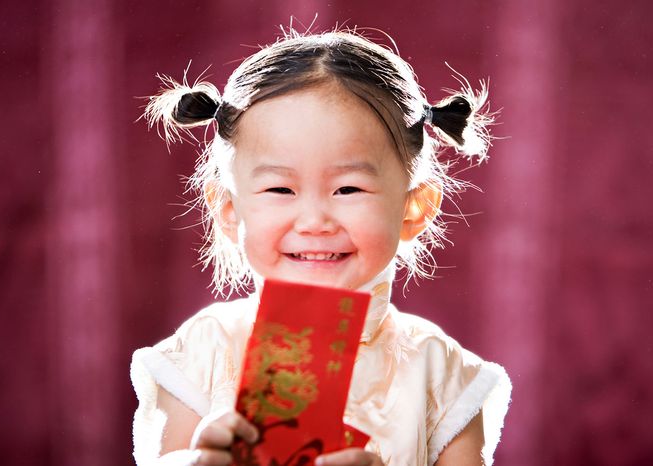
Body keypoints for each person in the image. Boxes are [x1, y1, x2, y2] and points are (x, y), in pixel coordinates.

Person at [131, 27, 511, 466]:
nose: (315, 221)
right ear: (228, 209)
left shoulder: (442, 376)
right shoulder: (201, 353)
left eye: (348, 189)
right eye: (279, 189)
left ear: (414, 208)